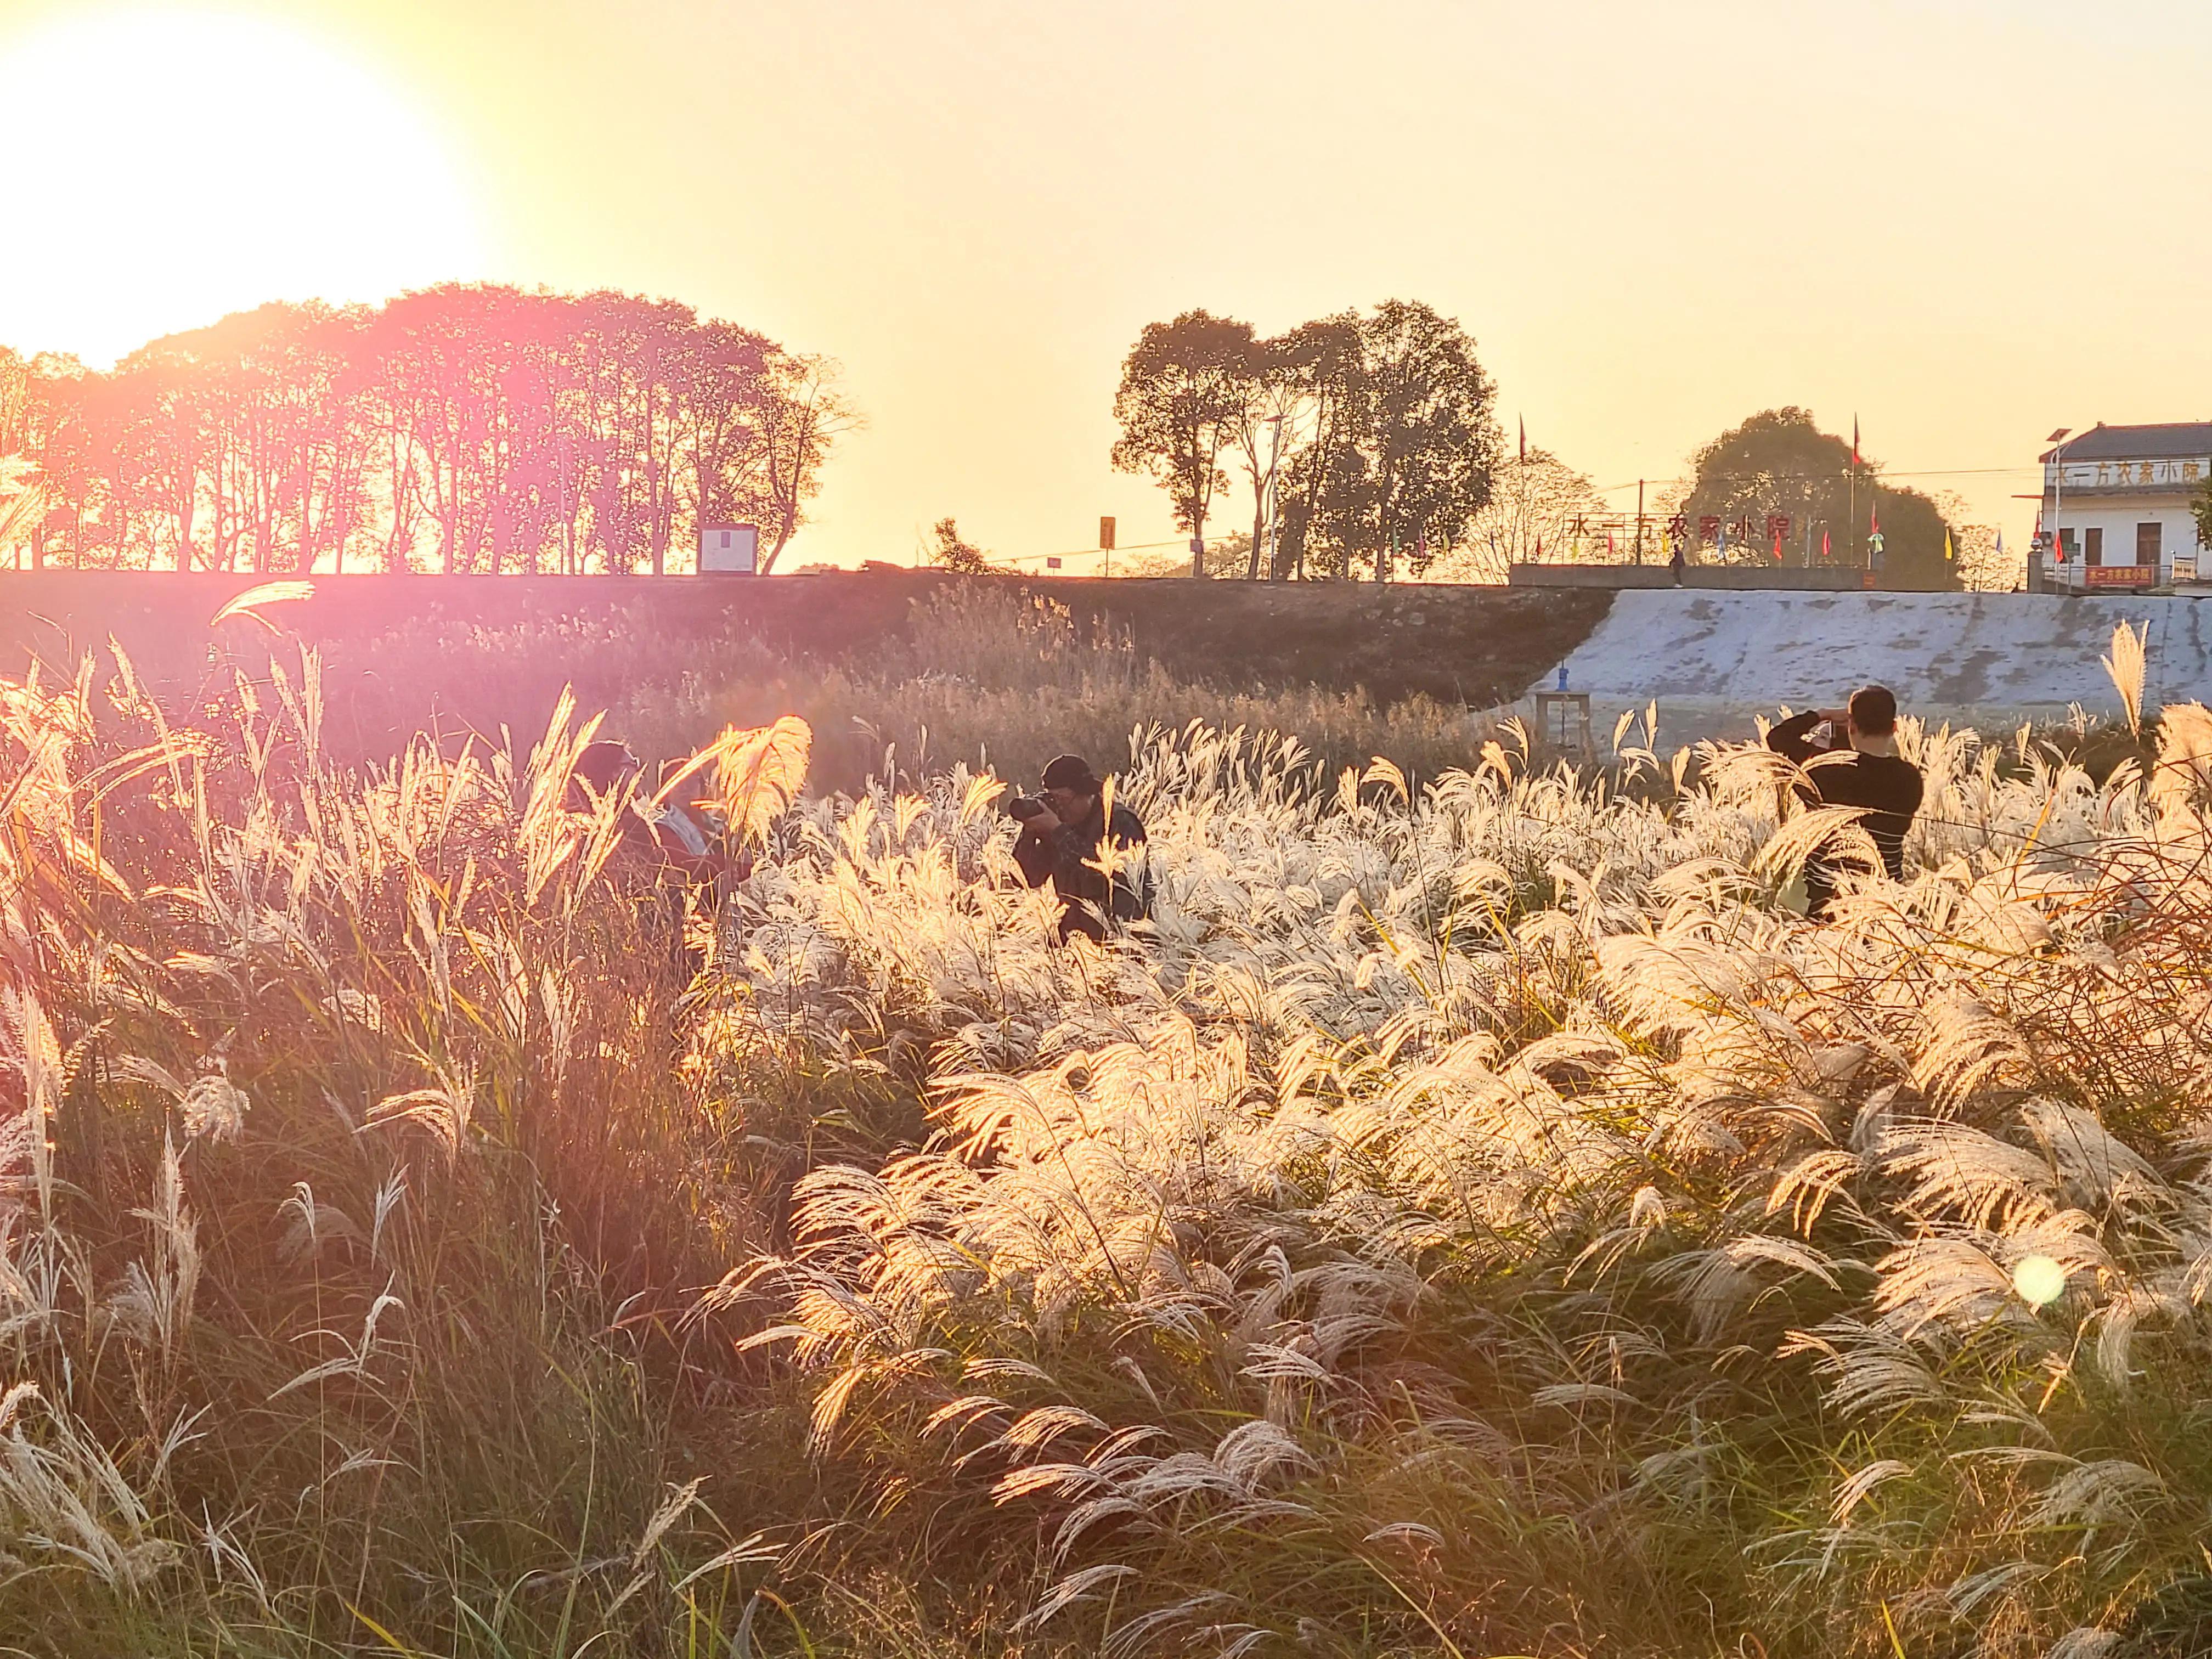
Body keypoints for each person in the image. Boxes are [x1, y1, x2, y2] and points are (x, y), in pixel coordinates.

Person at [1765, 685, 1924, 919]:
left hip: (1825, 900)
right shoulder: (1910, 778)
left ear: (1852, 726)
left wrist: (1822, 715)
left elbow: (1778, 738)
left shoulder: (1823, 770)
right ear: (1894, 728)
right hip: (1886, 902)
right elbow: (1869, 780)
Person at [1011, 753, 1149, 943]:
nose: (1059, 807)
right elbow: (1025, 879)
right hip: (1076, 945)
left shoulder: (1119, 820)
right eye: (1053, 799)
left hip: (1123, 938)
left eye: (1062, 798)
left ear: (1087, 793)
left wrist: (1058, 831)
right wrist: (1029, 832)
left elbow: (1109, 872)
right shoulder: (1057, 826)